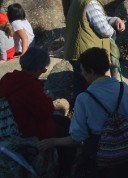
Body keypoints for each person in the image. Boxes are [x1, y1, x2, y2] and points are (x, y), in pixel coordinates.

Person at [37, 47, 128, 178]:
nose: (82, 74)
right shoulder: (122, 87)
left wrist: (53, 142)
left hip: (100, 152)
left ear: (91, 71)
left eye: (83, 71)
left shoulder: (84, 98)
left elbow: (77, 138)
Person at [0, 47, 76, 176]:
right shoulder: (30, 86)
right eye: (43, 69)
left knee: (63, 121)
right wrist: (49, 98)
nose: (43, 72)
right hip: (29, 131)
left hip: (11, 125)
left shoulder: (8, 79)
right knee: (67, 135)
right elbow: (45, 111)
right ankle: (64, 170)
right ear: (36, 69)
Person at [64, 0, 126, 101]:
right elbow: (103, 28)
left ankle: (78, 117)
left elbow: (94, 19)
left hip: (77, 51)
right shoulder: (90, 2)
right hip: (88, 53)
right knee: (93, 93)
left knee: (80, 91)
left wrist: (114, 20)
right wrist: (114, 32)